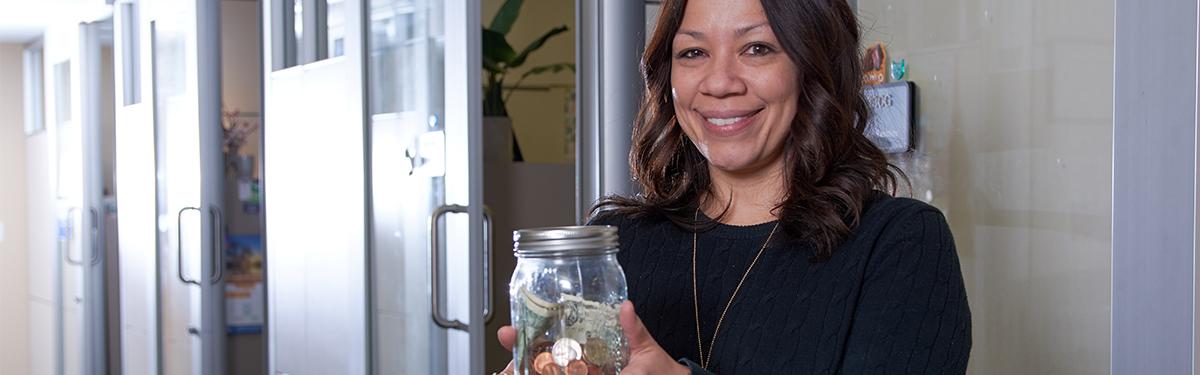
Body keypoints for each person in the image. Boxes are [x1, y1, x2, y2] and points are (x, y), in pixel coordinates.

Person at [497, 0, 971, 373]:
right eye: (693, 52)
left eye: (757, 48)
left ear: (814, 66)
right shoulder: (613, 243)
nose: (719, 82)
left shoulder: (900, 243)